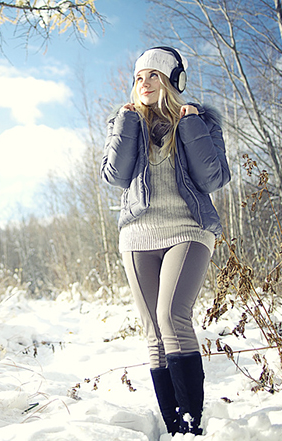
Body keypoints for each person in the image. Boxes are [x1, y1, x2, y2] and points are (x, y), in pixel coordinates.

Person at [100, 47, 230, 435]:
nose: (143, 83)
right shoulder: (125, 122)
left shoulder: (201, 120)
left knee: (172, 316)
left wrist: (190, 124)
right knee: (152, 331)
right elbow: (115, 177)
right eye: (139, 77)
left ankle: (192, 422)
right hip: (137, 236)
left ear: (173, 82)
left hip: (188, 230)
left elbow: (213, 178)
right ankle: (175, 426)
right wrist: (126, 123)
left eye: (153, 75)